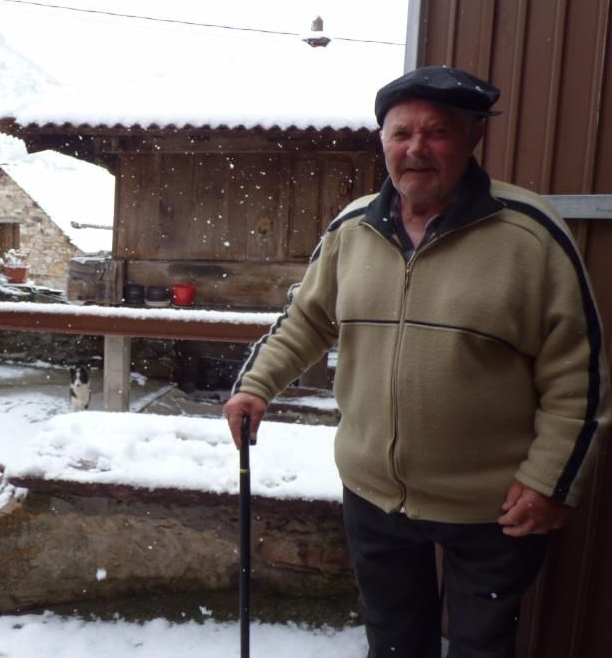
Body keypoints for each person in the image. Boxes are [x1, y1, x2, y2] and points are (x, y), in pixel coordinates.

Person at [223, 65, 610, 658]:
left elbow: (578, 373)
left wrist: (551, 481)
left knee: (481, 646)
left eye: (437, 132)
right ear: (383, 142)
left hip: (493, 505)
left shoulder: (530, 234)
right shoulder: (353, 229)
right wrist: (256, 387)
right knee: (395, 643)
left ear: (473, 136)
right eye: (401, 134)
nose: (417, 150)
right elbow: (305, 320)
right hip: (373, 495)